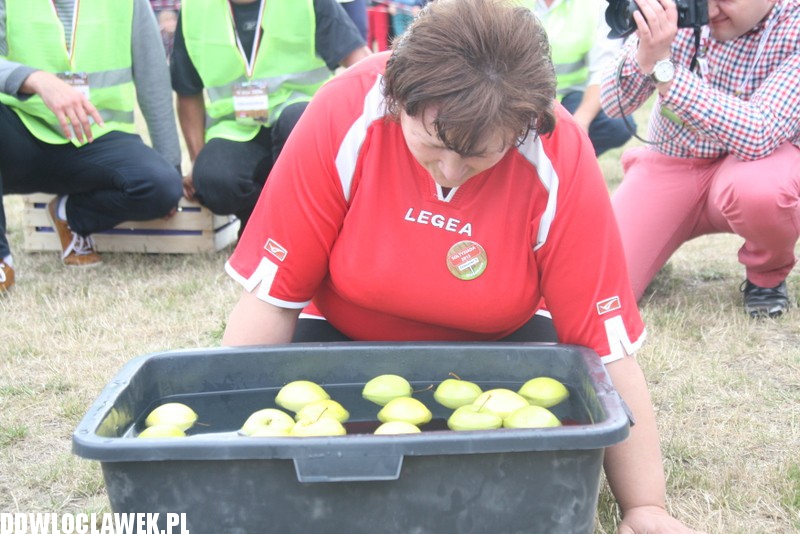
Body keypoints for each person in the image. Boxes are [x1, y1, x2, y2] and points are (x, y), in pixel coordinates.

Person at [221, 0, 703, 531]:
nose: (451, 170)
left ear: (525, 126)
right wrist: (225, 453)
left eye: (478, 156)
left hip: (502, 350)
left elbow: (604, 351)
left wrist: (645, 508)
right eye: (431, 144)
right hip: (340, 343)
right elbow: (272, 301)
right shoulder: (343, 112)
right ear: (397, 98)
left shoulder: (559, 151)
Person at [599, 0, 800, 317]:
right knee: (602, 283)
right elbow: (613, 105)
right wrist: (646, 53)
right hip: (672, 163)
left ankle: (766, 276)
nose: (709, 11)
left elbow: (760, 130)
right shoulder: (678, 7)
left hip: (753, 168)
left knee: (762, 192)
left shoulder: (794, 25)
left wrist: (666, 73)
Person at [0, 0, 183, 293]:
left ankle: (68, 214)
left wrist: (171, 164)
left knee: (162, 186)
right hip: (23, 135)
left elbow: (154, 80)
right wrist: (36, 79)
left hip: (97, 139)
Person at [171, 0, 371, 234]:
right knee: (211, 178)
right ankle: (259, 227)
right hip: (236, 128)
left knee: (297, 123)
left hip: (300, 117)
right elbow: (187, 92)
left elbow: (362, 63)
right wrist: (196, 158)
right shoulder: (195, 7)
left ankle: (304, 226)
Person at [530, 0, 635, 156]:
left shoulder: (597, 4)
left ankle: (569, 158)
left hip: (568, 96)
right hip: (516, 94)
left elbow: (603, 71)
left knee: (617, 124)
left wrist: (581, 122)